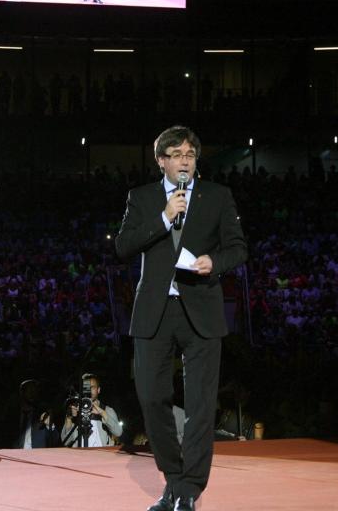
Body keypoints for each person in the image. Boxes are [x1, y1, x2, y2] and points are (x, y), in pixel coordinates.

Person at [115, 125, 248, 511]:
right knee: (152, 397)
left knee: (201, 404)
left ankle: (189, 489)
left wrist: (215, 262)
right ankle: (174, 480)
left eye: (189, 154)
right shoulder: (140, 198)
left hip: (201, 308)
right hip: (155, 312)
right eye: (176, 154)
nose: (184, 159)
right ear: (161, 161)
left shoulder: (217, 196)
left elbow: (238, 248)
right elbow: (124, 246)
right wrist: (163, 216)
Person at [60, 373, 121, 447]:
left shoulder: (107, 410)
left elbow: (118, 432)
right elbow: (65, 441)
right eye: (86, 387)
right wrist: (69, 418)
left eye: (92, 387)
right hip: (80, 456)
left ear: (98, 390)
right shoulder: (76, 409)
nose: (89, 390)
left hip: (101, 455)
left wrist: (102, 413)